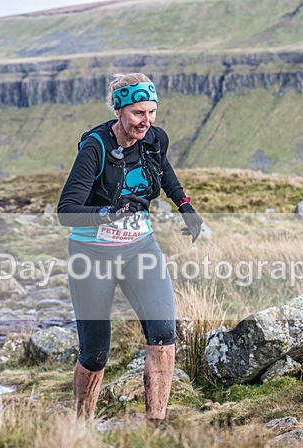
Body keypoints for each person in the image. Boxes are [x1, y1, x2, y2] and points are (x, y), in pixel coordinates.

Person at [57, 73, 204, 424]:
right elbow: (66, 212)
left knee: (164, 335)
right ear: (119, 110)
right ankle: (82, 427)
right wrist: (108, 213)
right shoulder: (95, 147)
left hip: (140, 249)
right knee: (95, 353)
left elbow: (164, 170)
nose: (146, 121)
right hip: (92, 256)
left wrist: (186, 207)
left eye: (152, 112)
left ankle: (156, 423)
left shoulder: (154, 138)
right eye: (138, 113)